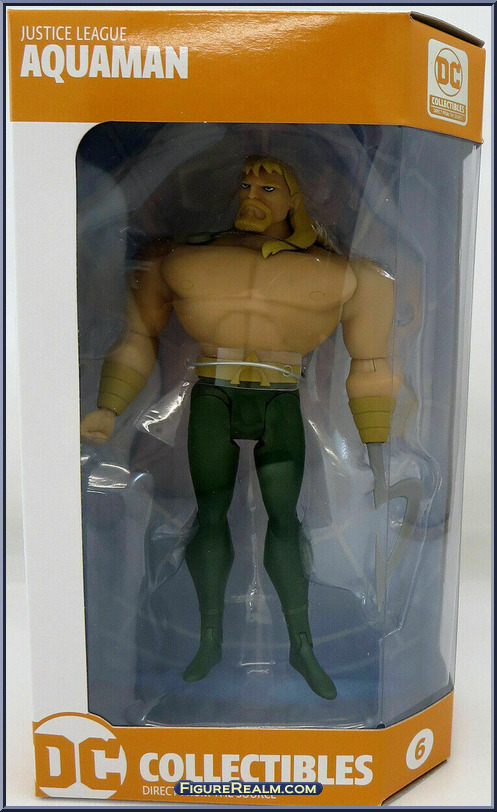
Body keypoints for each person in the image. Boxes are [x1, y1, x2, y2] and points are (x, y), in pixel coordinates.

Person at [81, 156, 399, 700]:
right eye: (246, 183)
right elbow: (137, 338)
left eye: (268, 186)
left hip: (280, 398)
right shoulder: (182, 258)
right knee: (209, 517)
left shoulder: (345, 273)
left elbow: (370, 364)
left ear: (295, 197)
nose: (251, 193)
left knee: (285, 521)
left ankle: (301, 646)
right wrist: (108, 408)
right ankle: (209, 641)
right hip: (213, 394)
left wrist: (378, 451)